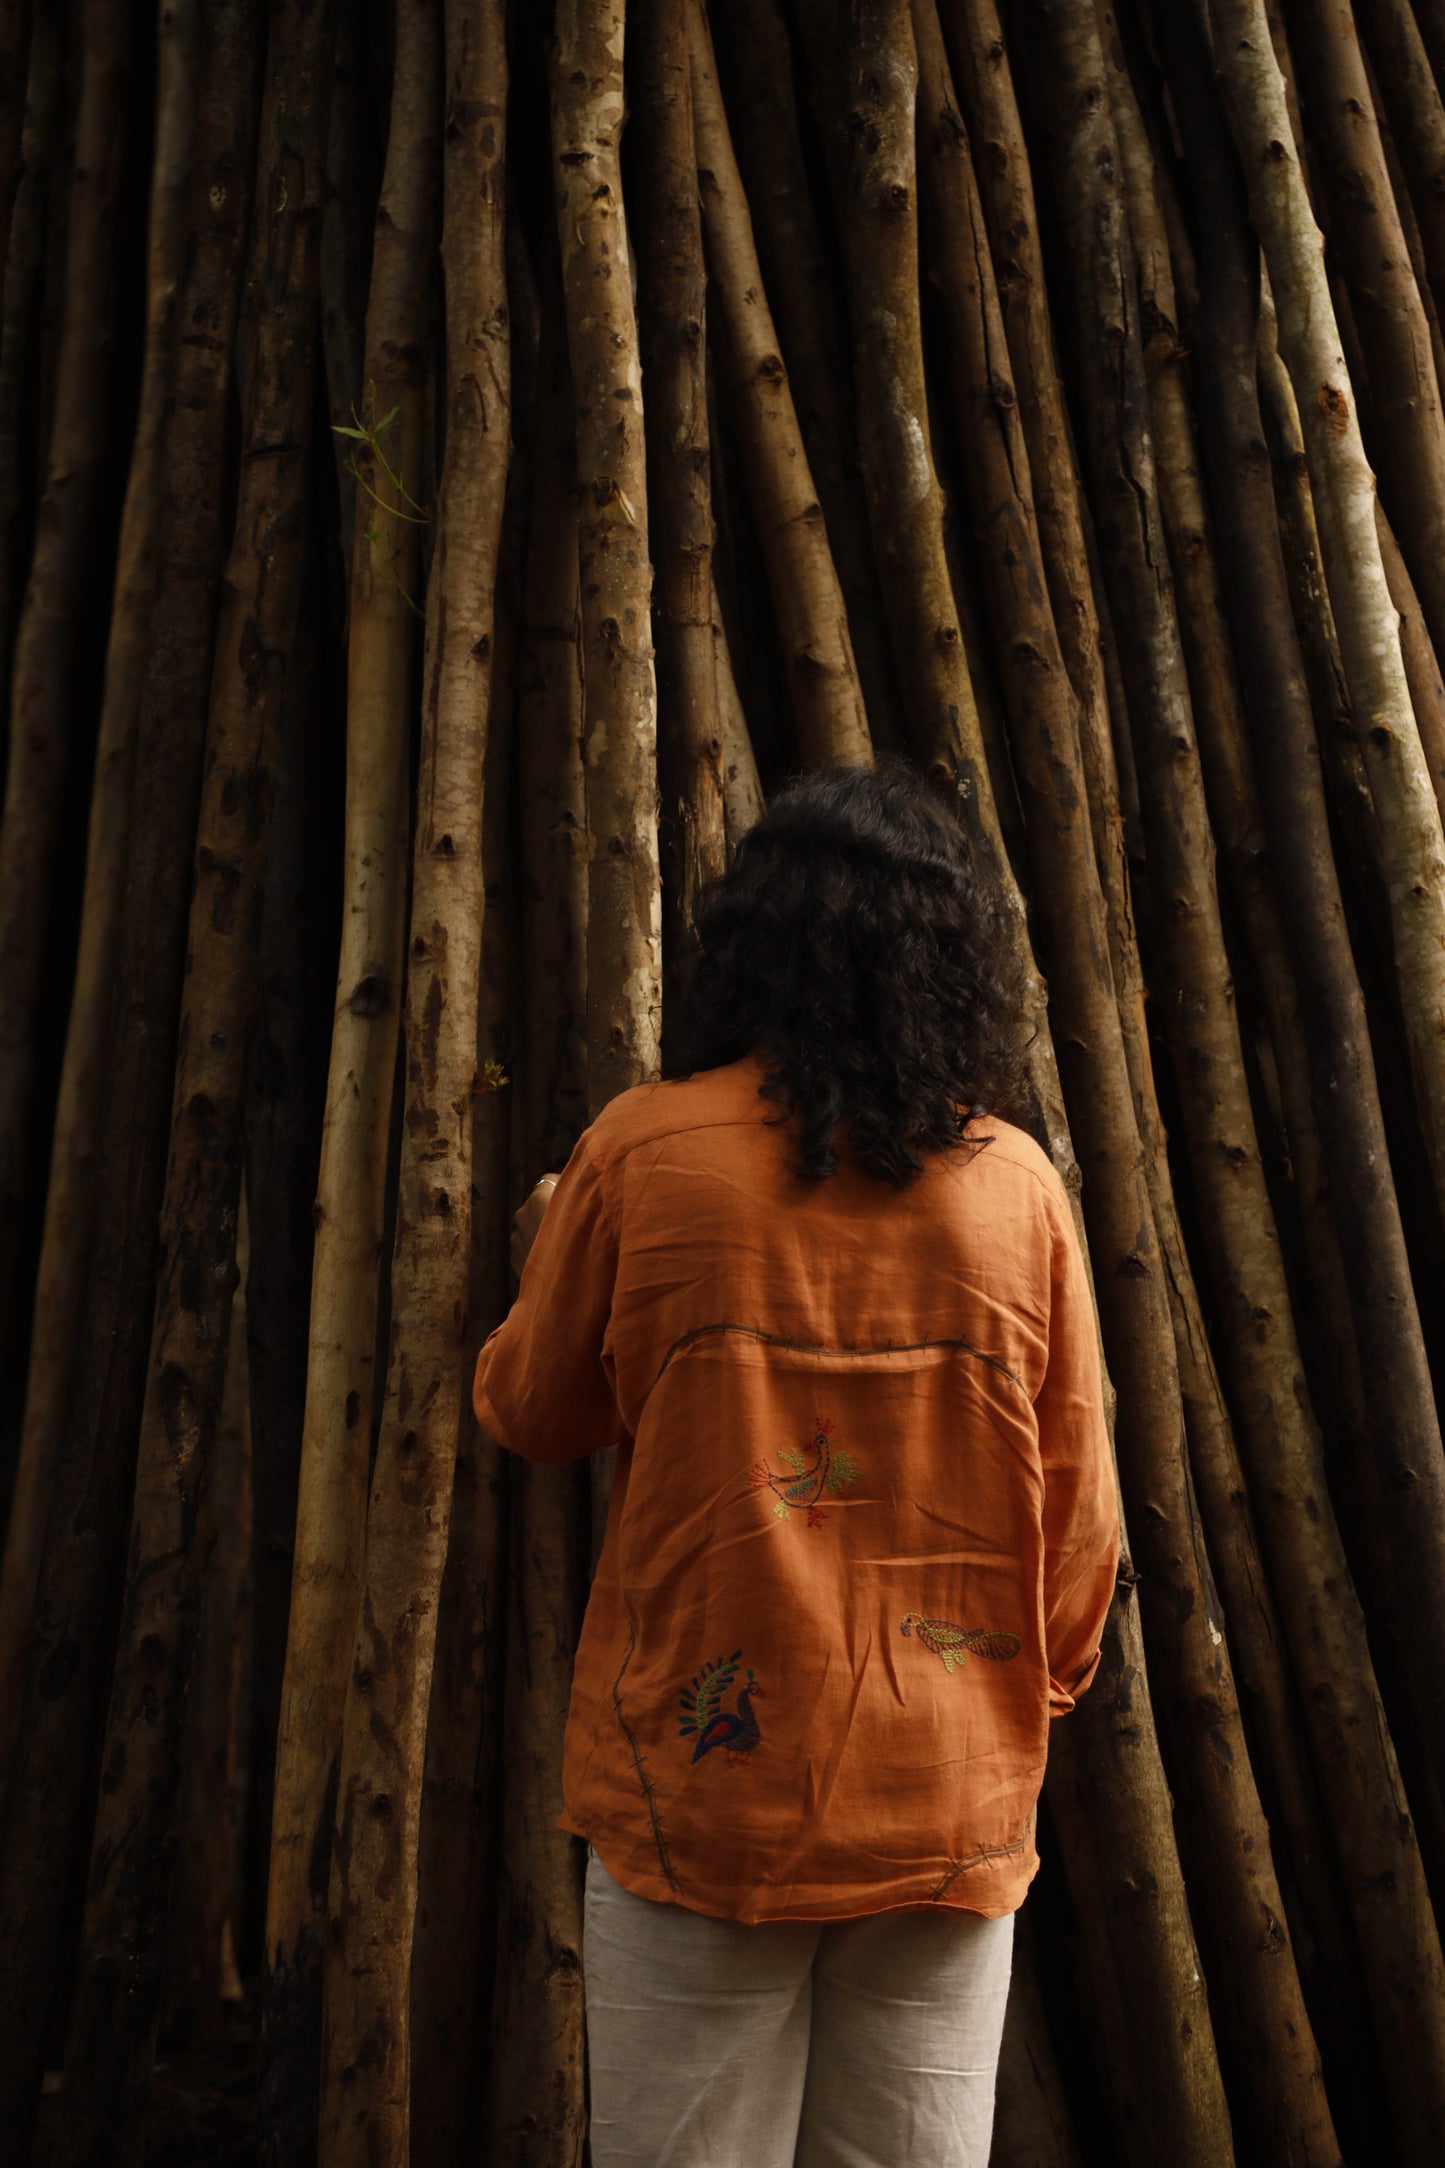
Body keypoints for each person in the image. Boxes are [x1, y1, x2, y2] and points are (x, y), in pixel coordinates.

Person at [473, 758, 1119, 2167]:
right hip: (943, 1805)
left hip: (707, 1803)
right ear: (954, 964)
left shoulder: (640, 1159)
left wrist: (547, 1257)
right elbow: (1076, 1530)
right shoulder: (1015, 1191)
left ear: (746, 944)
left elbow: (531, 1409)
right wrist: (1007, 1707)